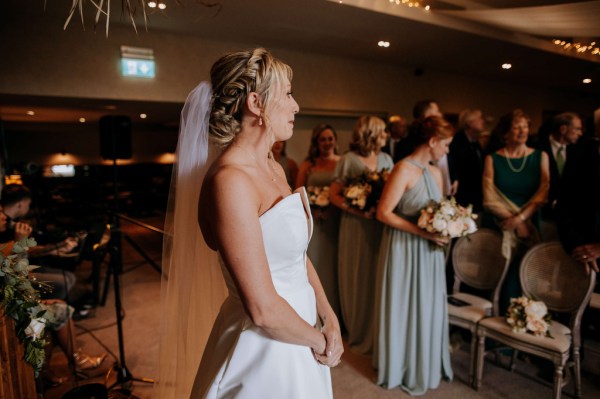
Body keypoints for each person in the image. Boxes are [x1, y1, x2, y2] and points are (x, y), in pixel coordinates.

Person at [154, 48, 342, 399]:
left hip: (300, 326)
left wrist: (328, 315)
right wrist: (321, 342)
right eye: (287, 93)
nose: (296, 105)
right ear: (256, 103)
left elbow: (296, 257)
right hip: (264, 343)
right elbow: (262, 309)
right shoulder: (231, 181)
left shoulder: (274, 166)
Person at [375, 115, 454, 394]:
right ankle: (401, 365)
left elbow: (437, 211)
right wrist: (424, 233)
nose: (447, 149)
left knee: (427, 305)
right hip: (404, 248)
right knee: (404, 304)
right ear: (432, 141)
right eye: (445, 144)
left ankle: (426, 361)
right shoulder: (403, 169)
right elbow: (383, 213)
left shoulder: (435, 172)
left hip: (429, 252)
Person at [329, 115, 393, 355]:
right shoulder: (348, 160)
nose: (386, 136)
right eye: (383, 131)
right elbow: (334, 195)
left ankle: (377, 329)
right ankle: (356, 327)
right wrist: (356, 209)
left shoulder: (387, 159)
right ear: (372, 133)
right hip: (355, 226)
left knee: (377, 275)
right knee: (357, 274)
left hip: (379, 224)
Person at [482, 109, 549, 314]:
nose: (523, 131)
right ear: (505, 133)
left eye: (526, 126)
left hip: (529, 226)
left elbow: (543, 191)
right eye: (516, 127)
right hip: (499, 224)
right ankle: (495, 327)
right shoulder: (492, 159)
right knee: (497, 274)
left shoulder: (540, 157)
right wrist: (514, 222)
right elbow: (489, 198)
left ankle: (523, 323)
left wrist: (522, 219)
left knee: (523, 274)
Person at [296, 124, 342, 321]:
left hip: (335, 221)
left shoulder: (341, 163)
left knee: (334, 266)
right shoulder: (309, 164)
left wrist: (331, 209)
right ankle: (313, 315)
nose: (326, 143)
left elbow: (345, 192)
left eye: (330, 138)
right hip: (313, 220)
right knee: (315, 263)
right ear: (316, 143)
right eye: (322, 139)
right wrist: (313, 210)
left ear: (335, 140)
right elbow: (298, 191)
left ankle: (335, 316)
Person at [537, 112, 583, 235]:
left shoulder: (580, 151)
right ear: (563, 129)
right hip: (543, 215)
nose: (580, 133)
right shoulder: (537, 147)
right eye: (577, 129)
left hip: (570, 218)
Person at [448, 108, 485, 213]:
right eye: (479, 119)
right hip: (462, 195)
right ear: (469, 122)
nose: (483, 121)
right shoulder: (457, 141)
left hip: (475, 194)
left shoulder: (476, 143)